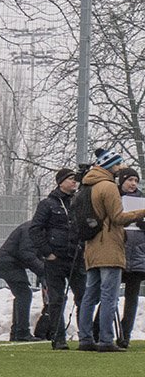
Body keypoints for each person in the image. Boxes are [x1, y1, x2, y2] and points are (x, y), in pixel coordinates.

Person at [76, 148, 144, 352]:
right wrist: (141, 212)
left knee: (90, 295)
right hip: (109, 247)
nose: (119, 169)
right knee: (109, 296)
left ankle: (85, 338)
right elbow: (118, 218)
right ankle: (106, 340)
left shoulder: (87, 186)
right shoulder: (108, 186)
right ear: (110, 166)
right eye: (117, 165)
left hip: (92, 246)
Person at [30, 167, 83, 349]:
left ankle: (85, 336)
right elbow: (35, 229)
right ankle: (58, 338)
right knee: (57, 299)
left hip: (75, 257)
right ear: (61, 182)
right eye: (70, 179)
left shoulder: (78, 202)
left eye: (75, 179)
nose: (74, 182)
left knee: (83, 296)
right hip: (56, 258)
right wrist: (47, 252)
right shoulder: (48, 204)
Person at [0, 221, 46, 341]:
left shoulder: (34, 228)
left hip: (8, 262)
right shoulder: (32, 229)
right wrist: (43, 271)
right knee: (24, 294)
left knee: (23, 294)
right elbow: (27, 253)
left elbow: (32, 254)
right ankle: (21, 332)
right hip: (7, 263)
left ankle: (17, 332)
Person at [117, 166, 144, 348]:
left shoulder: (142, 200)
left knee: (132, 298)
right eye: (130, 180)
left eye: (136, 181)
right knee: (109, 296)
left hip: (138, 257)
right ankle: (100, 330)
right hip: (117, 254)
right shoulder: (113, 197)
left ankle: (125, 335)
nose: (133, 184)